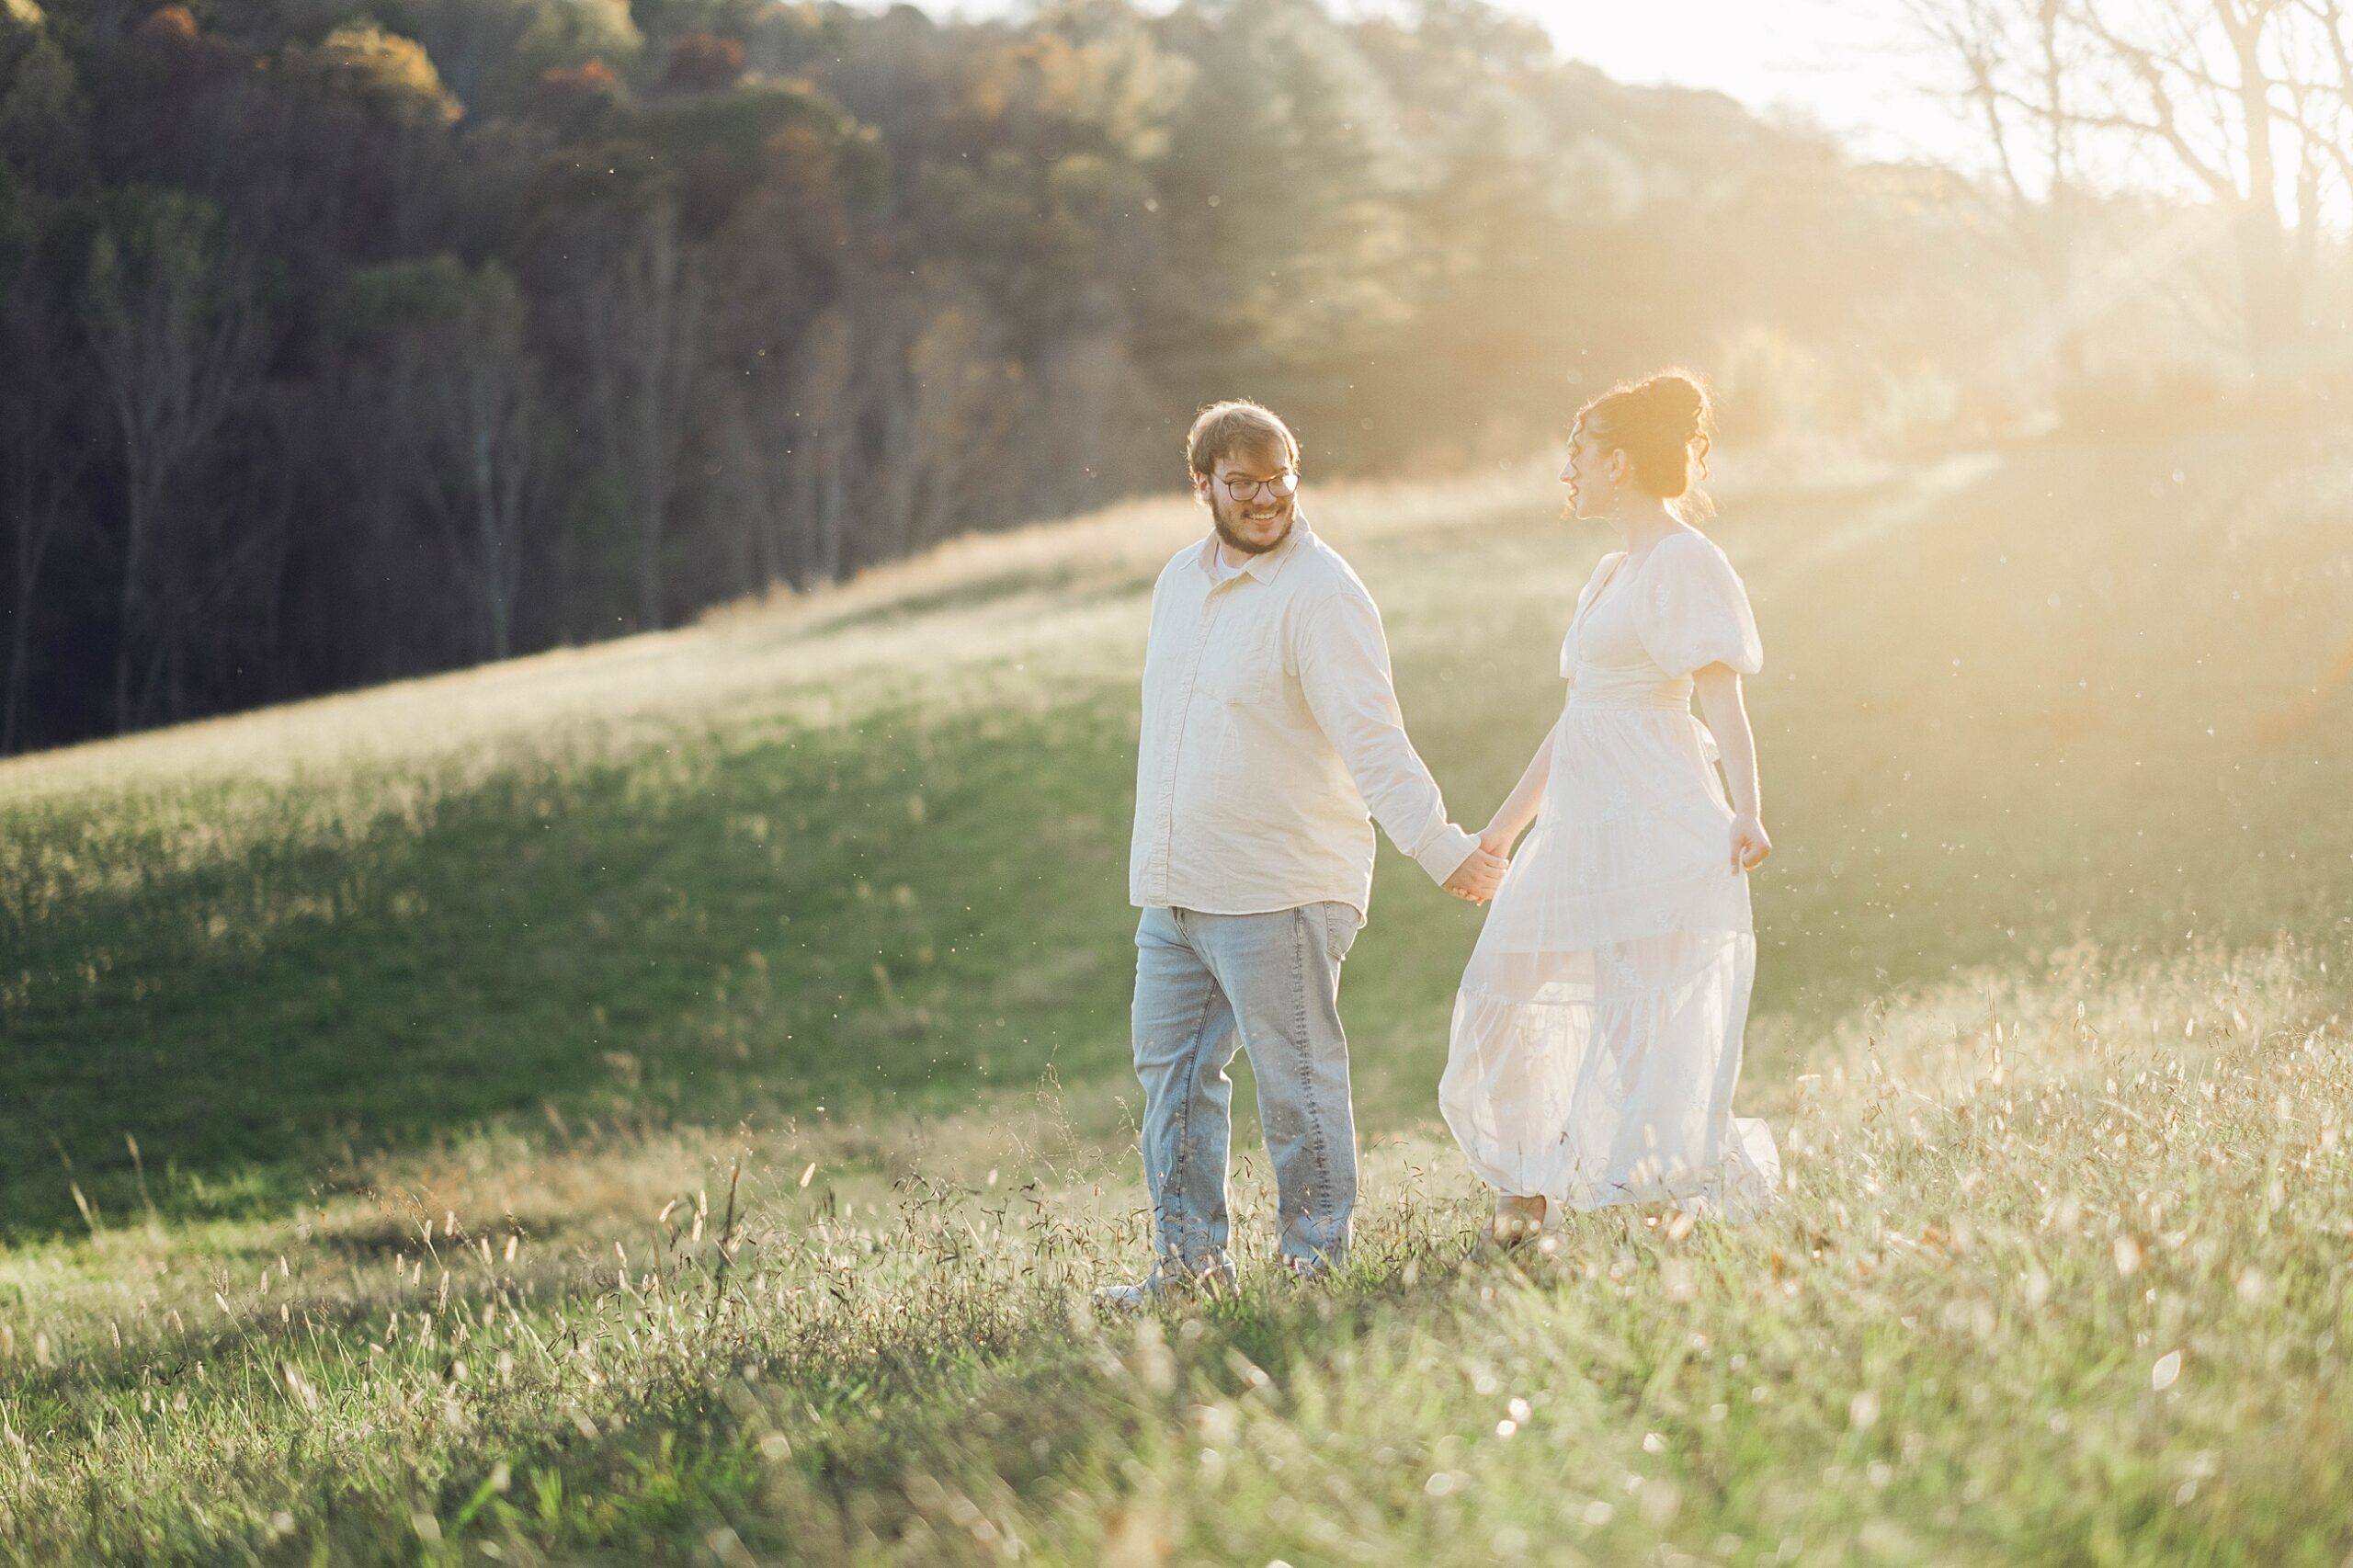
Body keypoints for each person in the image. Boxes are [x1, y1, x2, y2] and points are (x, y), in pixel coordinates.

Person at [1103, 399, 1508, 1306]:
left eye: (1276, 476)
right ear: (1201, 484)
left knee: (1299, 1088)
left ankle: (1312, 1267)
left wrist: (1442, 847)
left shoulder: (1321, 592)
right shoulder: (1178, 580)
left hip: (1278, 885)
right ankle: (1188, 1270)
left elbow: (1373, 740)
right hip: (1172, 889)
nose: (1263, 497)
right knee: (1173, 1086)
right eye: (1240, 481)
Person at [1439, 370, 1779, 1244]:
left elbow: (1722, 701)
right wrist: (1503, 832)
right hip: (1580, 829)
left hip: (1655, 821)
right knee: (1500, 997)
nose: (1569, 472)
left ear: (1621, 463)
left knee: (1640, 1032)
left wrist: (1748, 810)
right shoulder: (1607, 573)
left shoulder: (1686, 561)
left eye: (1579, 455)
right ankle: (1531, 1185)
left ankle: (1650, 1202)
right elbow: (1577, 720)